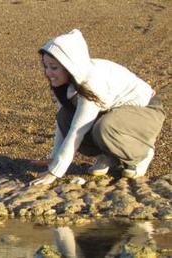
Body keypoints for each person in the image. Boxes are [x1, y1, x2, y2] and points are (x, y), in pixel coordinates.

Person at [29, 29, 165, 186]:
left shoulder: (91, 85)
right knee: (64, 117)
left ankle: (141, 154)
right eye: (46, 66)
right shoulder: (66, 84)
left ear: (69, 66)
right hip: (116, 113)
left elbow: (77, 131)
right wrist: (54, 158)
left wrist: (55, 172)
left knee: (104, 128)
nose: (48, 73)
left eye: (53, 67)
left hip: (146, 112)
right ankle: (111, 156)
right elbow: (63, 123)